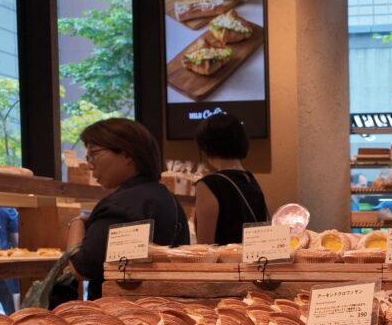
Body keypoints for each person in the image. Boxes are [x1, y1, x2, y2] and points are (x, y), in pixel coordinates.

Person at [67, 118, 190, 300]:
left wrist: (76, 223)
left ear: (127, 155)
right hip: (164, 307)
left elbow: (79, 269)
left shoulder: (119, 205)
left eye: (93, 154)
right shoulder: (166, 197)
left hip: (120, 312)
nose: (90, 164)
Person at [194, 112, 269, 245]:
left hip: (225, 259)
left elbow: (205, 247)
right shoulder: (250, 180)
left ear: (207, 146)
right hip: (254, 257)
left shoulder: (209, 185)